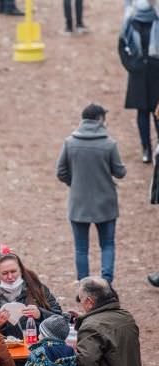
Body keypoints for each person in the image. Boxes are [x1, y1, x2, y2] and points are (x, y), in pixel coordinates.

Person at [56, 104, 126, 284]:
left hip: (78, 203)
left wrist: (75, 184)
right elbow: (120, 172)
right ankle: (107, 283)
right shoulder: (109, 144)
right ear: (99, 119)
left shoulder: (70, 142)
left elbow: (61, 172)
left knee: (81, 249)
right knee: (107, 244)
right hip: (106, 203)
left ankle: (84, 286)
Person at [0, 253, 63, 340]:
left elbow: (59, 319)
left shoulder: (37, 289)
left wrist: (40, 314)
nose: (10, 277)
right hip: (3, 349)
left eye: (13, 272)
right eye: (5, 273)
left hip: (37, 346)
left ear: (21, 271)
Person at [119, 0, 159, 163]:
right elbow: (122, 46)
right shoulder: (130, 22)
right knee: (142, 113)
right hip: (138, 76)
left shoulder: (156, 20)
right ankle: (146, 149)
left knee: (157, 113)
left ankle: (157, 148)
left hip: (156, 75)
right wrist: (131, 65)